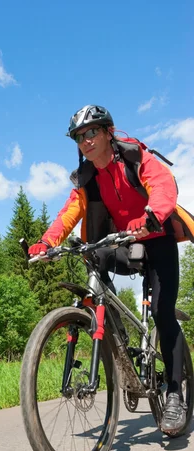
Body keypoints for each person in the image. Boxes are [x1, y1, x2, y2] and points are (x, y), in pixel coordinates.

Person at [28, 105, 194, 434]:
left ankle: (175, 395)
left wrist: (151, 216)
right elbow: (70, 210)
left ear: (107, 132)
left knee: (163, 313)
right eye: (79, 136)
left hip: (156, 238)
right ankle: (114, 334)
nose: (86, 140)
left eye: (92, 132)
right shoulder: (89, 177)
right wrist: (46, 243)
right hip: (124, 243)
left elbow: (162, 186)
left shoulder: (136, 159)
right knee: (94, 257)